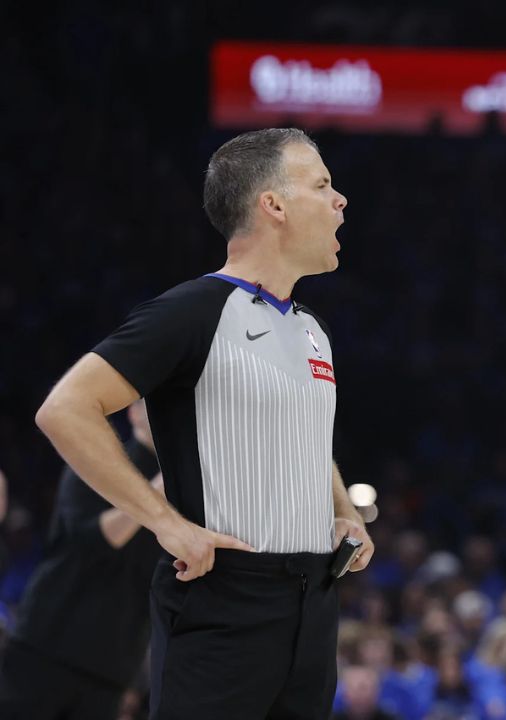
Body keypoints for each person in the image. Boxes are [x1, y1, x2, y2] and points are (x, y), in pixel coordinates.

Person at [34, 127, 375, 719]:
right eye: (322, 185)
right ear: (273, 205)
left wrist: (343, 509)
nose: (340, 200)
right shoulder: (194, 310)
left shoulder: (312, 329)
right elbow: (65, 408)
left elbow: (305, 438)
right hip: (224, 601)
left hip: (315, 604)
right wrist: (164, 522)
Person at [0, 400, 161, 719]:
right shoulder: (96, 461)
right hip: (46, 644)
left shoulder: (188, 492)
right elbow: (96, 538)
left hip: (112, 665)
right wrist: (160, 489)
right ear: (134, 413)